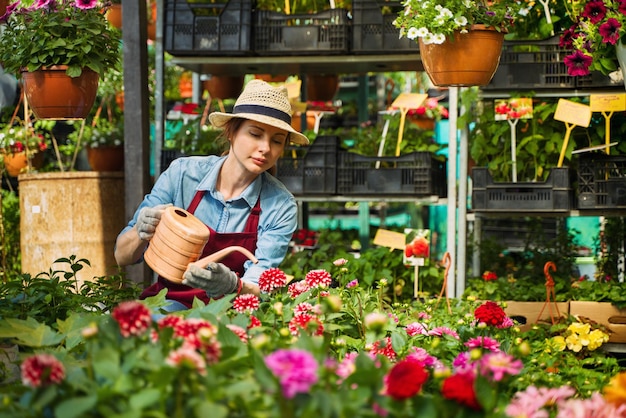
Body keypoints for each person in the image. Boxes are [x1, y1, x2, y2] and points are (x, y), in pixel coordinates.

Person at [114, 79, 309, 312]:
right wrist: (141, 231)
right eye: (256, 134)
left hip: (233, 311)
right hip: (169, 303)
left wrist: (233, 285)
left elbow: (261, 284)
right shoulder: (182, 176)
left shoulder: (280, 204)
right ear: (232, 132)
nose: (265, 148)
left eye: (276, 141)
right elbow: (122, 255)